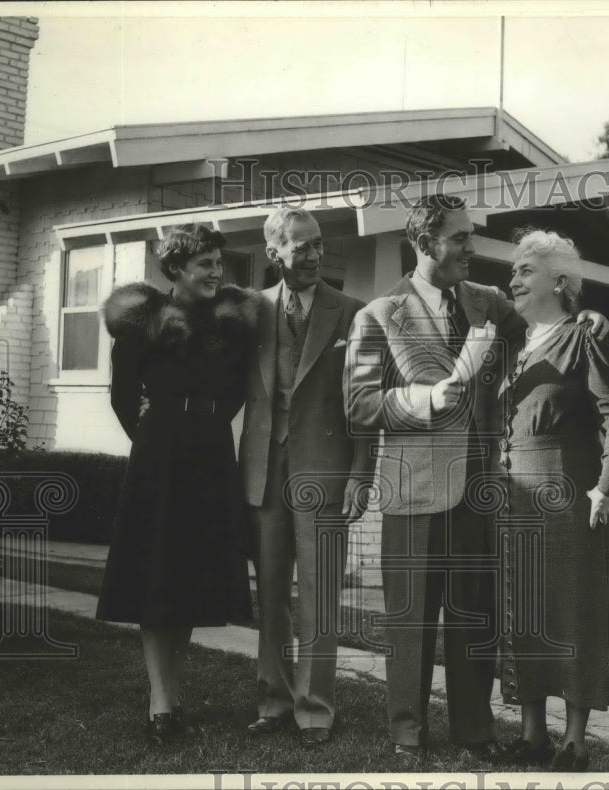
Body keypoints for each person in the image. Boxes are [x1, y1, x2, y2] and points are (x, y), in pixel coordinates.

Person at [344, 195, 609, 763]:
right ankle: (407, 734)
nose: (473, 247)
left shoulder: (489, 304)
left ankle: (473, 731)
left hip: (483, 491)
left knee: (476, 619)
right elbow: (360, 407)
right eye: (461, 238)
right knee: (410, 622)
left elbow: (547, 324)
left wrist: (584, 315)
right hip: (412, 490)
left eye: (471, 235)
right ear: (425, 244)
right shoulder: (377, 315)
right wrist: (422, 399)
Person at [96, 224, 257, 746]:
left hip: (210, 455)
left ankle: (173, 696)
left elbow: (235, 393)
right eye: (205, 264)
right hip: (160, 457)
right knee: (157, 576)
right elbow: (123, 397)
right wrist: (154, 437)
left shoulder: (231, 324)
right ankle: (160, 703)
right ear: (175, 270)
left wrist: (206, 425)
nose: (216, 272)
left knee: (187, 577)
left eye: (218, 262)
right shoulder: (141, 323)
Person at [497, 229, 609, 771]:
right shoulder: (513, 343)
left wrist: (607, 485)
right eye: (513, 270)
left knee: (575, 614)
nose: (513, 279)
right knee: (523, 611)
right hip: (514, 497)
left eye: (525, 270)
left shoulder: (587, 335)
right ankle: (532, 734)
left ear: (559, 281)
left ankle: (574, 742)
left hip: (571, 493)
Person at [240, 207, 375, 748]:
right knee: (270, 593)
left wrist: (362, 472)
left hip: (328, 471)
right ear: (275, 253)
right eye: (302, 247)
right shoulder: (248, 312)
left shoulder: (353, 313)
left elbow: (365, 404)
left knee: (319, 596)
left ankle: (315, 709)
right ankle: (272, 701)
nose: (315, 255)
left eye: (319, 244)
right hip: (263, 471)